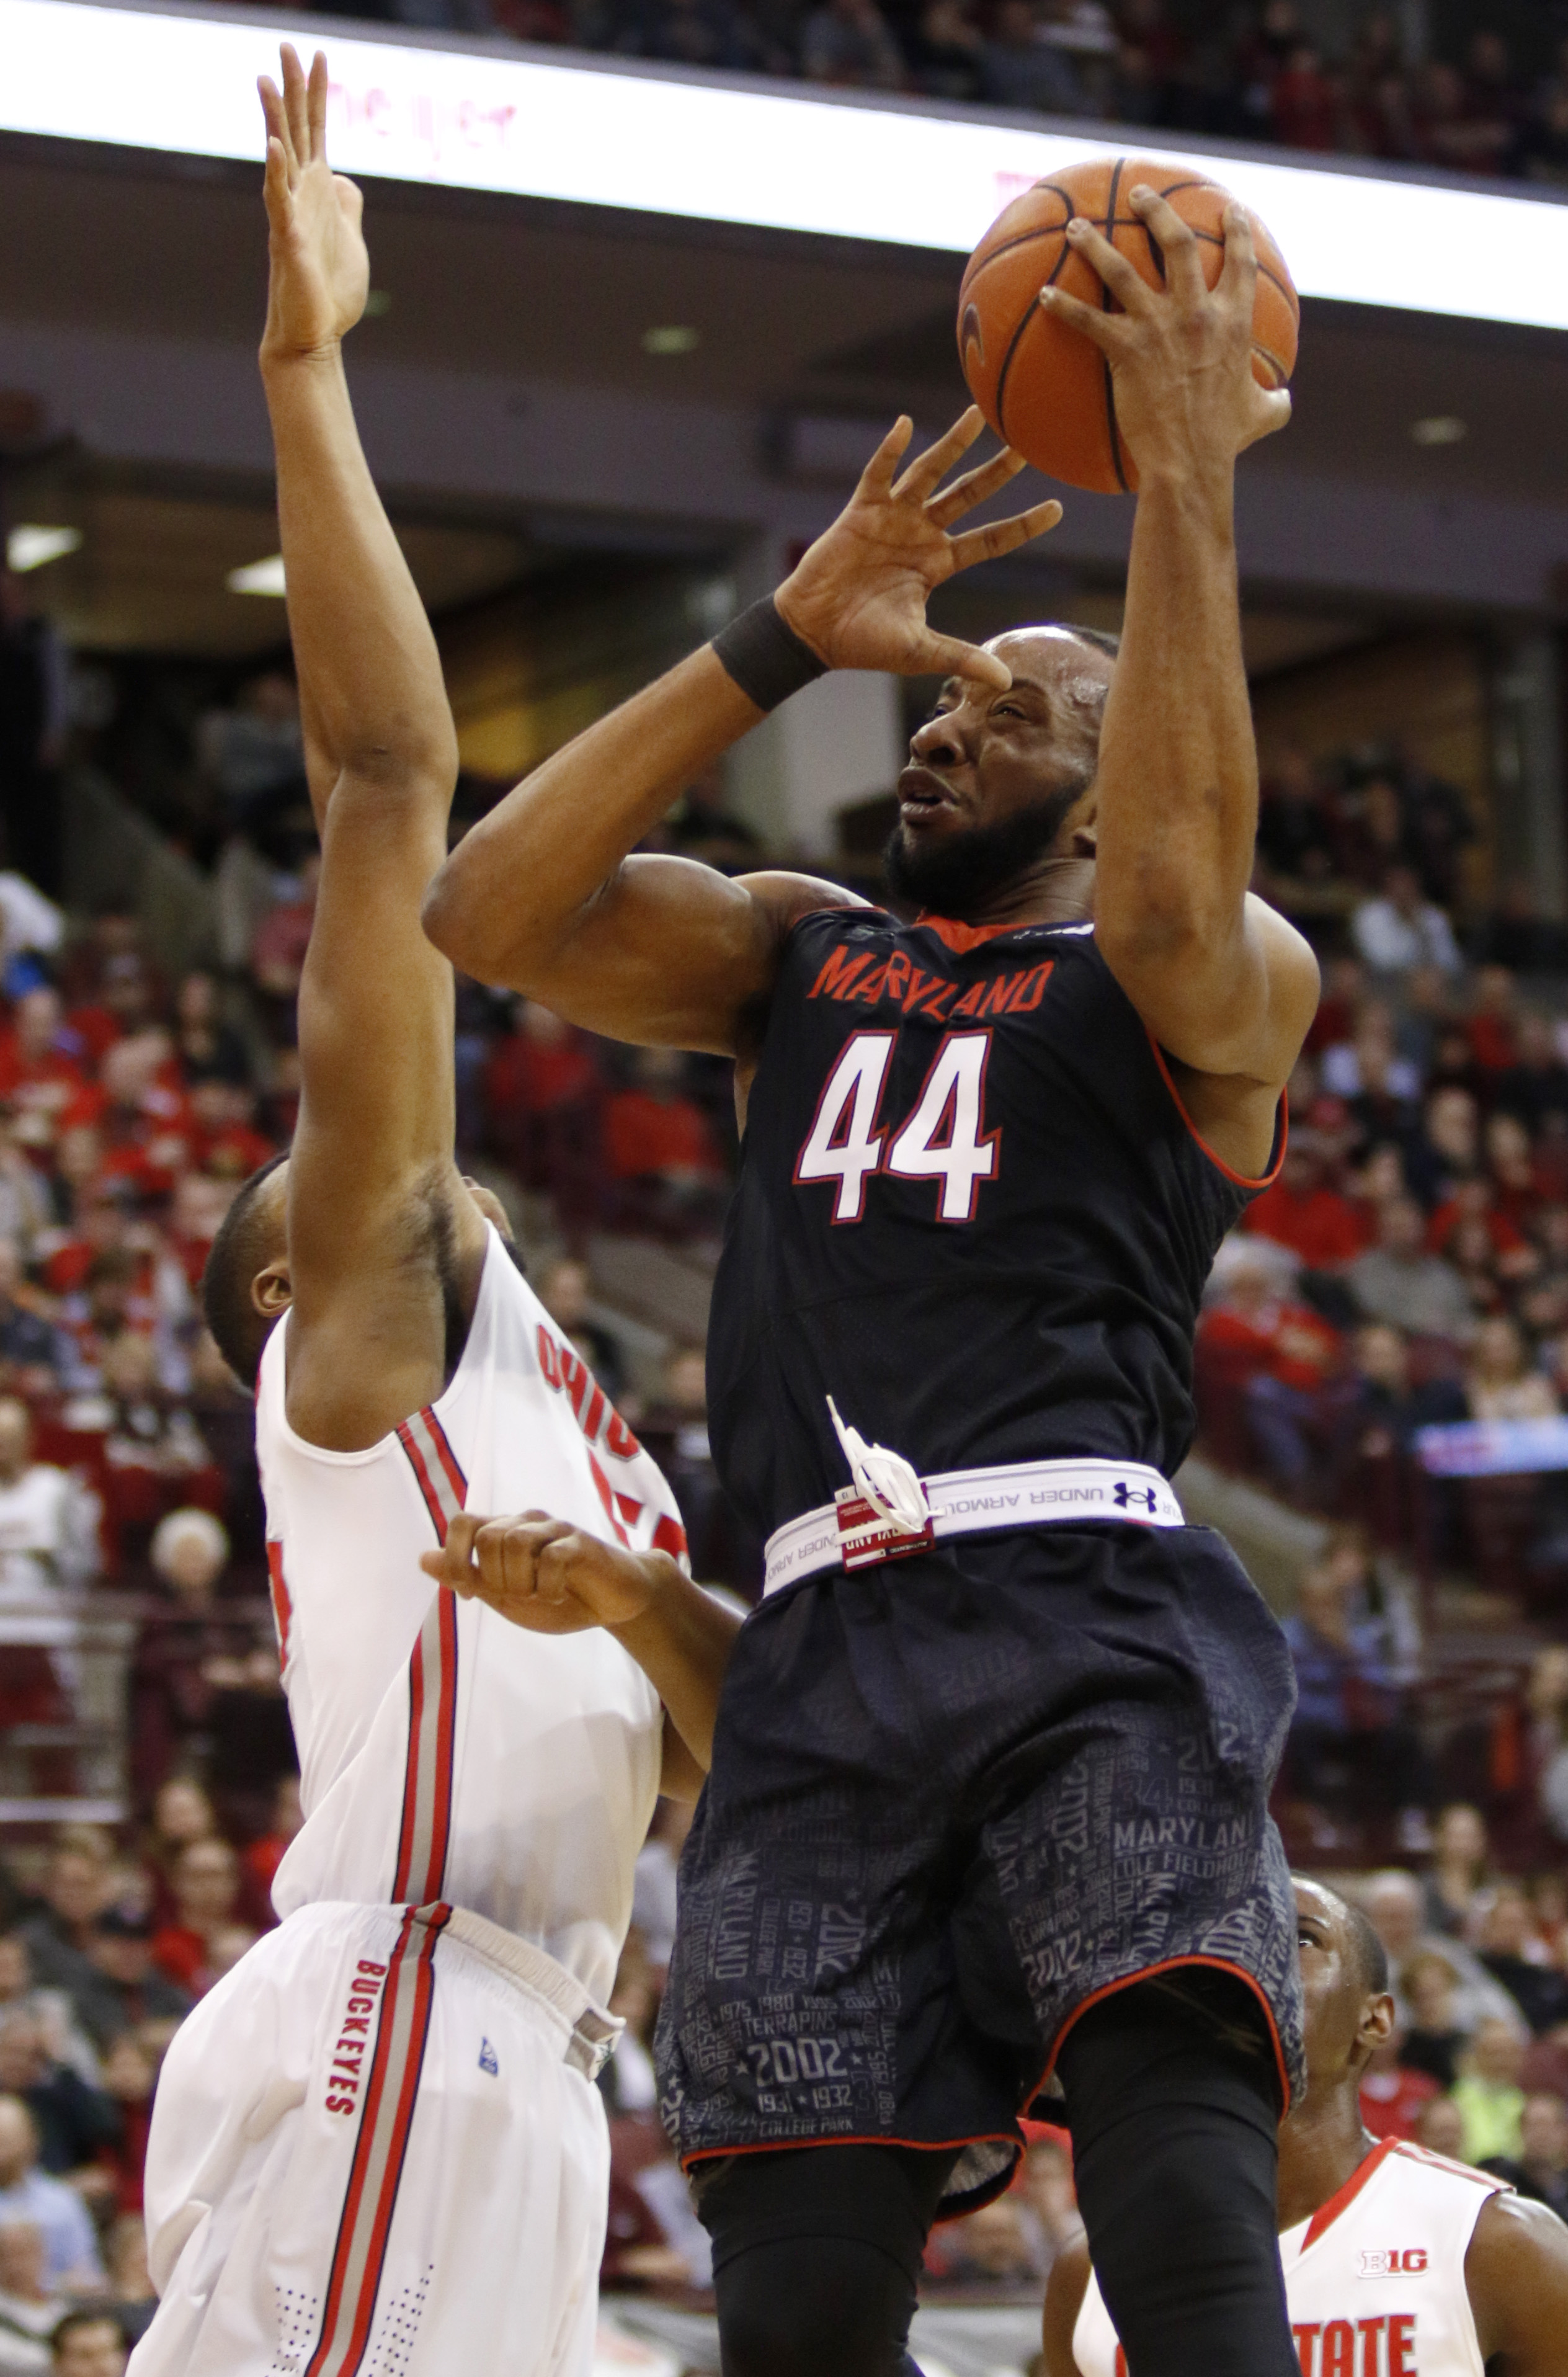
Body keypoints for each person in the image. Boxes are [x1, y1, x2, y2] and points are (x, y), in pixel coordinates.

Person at [425, 181, 1322, 2377]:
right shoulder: (794, 953)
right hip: (818, 1648)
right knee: (802, 2281)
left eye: (1007, 714)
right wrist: (782, 638)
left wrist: (1180, 481)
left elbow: (1178, 887)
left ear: (1108, 786)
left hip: (1079, 1607)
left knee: (1170, 2170)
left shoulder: (1204, 979)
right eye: (940, 700)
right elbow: (485, 910)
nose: (939, 727)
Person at [128, 50, 736, 2377]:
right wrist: (308, 367)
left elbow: (723, 1753)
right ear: (286, 1293)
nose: (356, 1142)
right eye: (306, 1170)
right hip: (407, 2009)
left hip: (532, 2062)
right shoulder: (369, 1347)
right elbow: (388, 775)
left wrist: (662, 1604)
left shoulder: (564, 1423)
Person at [1044, 1876, 1568, 2377]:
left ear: (1375, 2020)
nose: (1245, 1957)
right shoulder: (1090, 2272)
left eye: (1299, 1938)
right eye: (1217, 1943)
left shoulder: (1498, 2245)